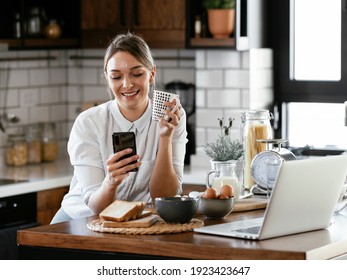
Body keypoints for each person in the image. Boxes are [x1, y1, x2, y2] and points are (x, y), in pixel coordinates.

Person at [51, 32, 187, 223]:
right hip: (80, 219)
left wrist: (165, 137)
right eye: (116, 77)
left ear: (152, 74)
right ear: (107, 77)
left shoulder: (169, 116)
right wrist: (111, 181)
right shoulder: (89, 123)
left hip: (131, 223)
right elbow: (96, 208)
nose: (127, 84)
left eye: (137, 74)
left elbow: (163, 198)